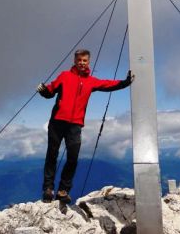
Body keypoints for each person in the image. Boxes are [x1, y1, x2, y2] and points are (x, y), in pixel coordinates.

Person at [36, 49, 133, 204]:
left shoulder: (91, 81)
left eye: (85, 60)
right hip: (57, 121)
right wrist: (43, 91)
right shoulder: (64, 76)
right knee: (52, 155)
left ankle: (63, 190)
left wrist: (125, 82)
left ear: (89, 62)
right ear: (75, 61)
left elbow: (108, 84)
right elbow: (50, 91)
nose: (82, 63)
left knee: (72, 158)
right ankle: (48, 189)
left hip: (75, 124)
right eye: (79, 60)